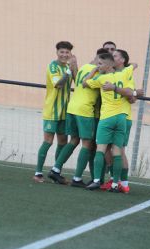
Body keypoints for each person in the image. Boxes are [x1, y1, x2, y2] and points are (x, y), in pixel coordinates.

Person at [48, 48, 108, 187]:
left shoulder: (84, 67)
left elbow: (78, 81)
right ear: (101, 60)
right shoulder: (99, 71)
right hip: (85, 110)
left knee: (74, 140)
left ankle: (55, 169)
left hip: (72, 107)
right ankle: (77, 178)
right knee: (87, 144)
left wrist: (74, 66)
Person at [83, 53, 135, 192]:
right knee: (117, 151)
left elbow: (84, 82)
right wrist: (131, 67)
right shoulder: (124, 74)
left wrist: (93, 71)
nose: (98, 66)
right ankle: (115, 184)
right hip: (122, 118)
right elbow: (134, 65)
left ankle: (96, 181)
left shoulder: (101, 78)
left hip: (107, 117)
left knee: (101, 149)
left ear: (108, 65)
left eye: (100, 64)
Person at [33, 41, 77, 183]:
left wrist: (74, 66)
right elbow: (58, 84)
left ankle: (55, 173)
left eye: (67, 52)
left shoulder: (69, 66)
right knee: (48, 141)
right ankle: (38, 173)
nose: (64, 55)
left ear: (70, 53)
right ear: (57, 52)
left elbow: (78, 81)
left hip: (65, 111)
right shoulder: (53, 66)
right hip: (52, 110)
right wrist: (69, 70)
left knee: (63, 142)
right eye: (62, 52)